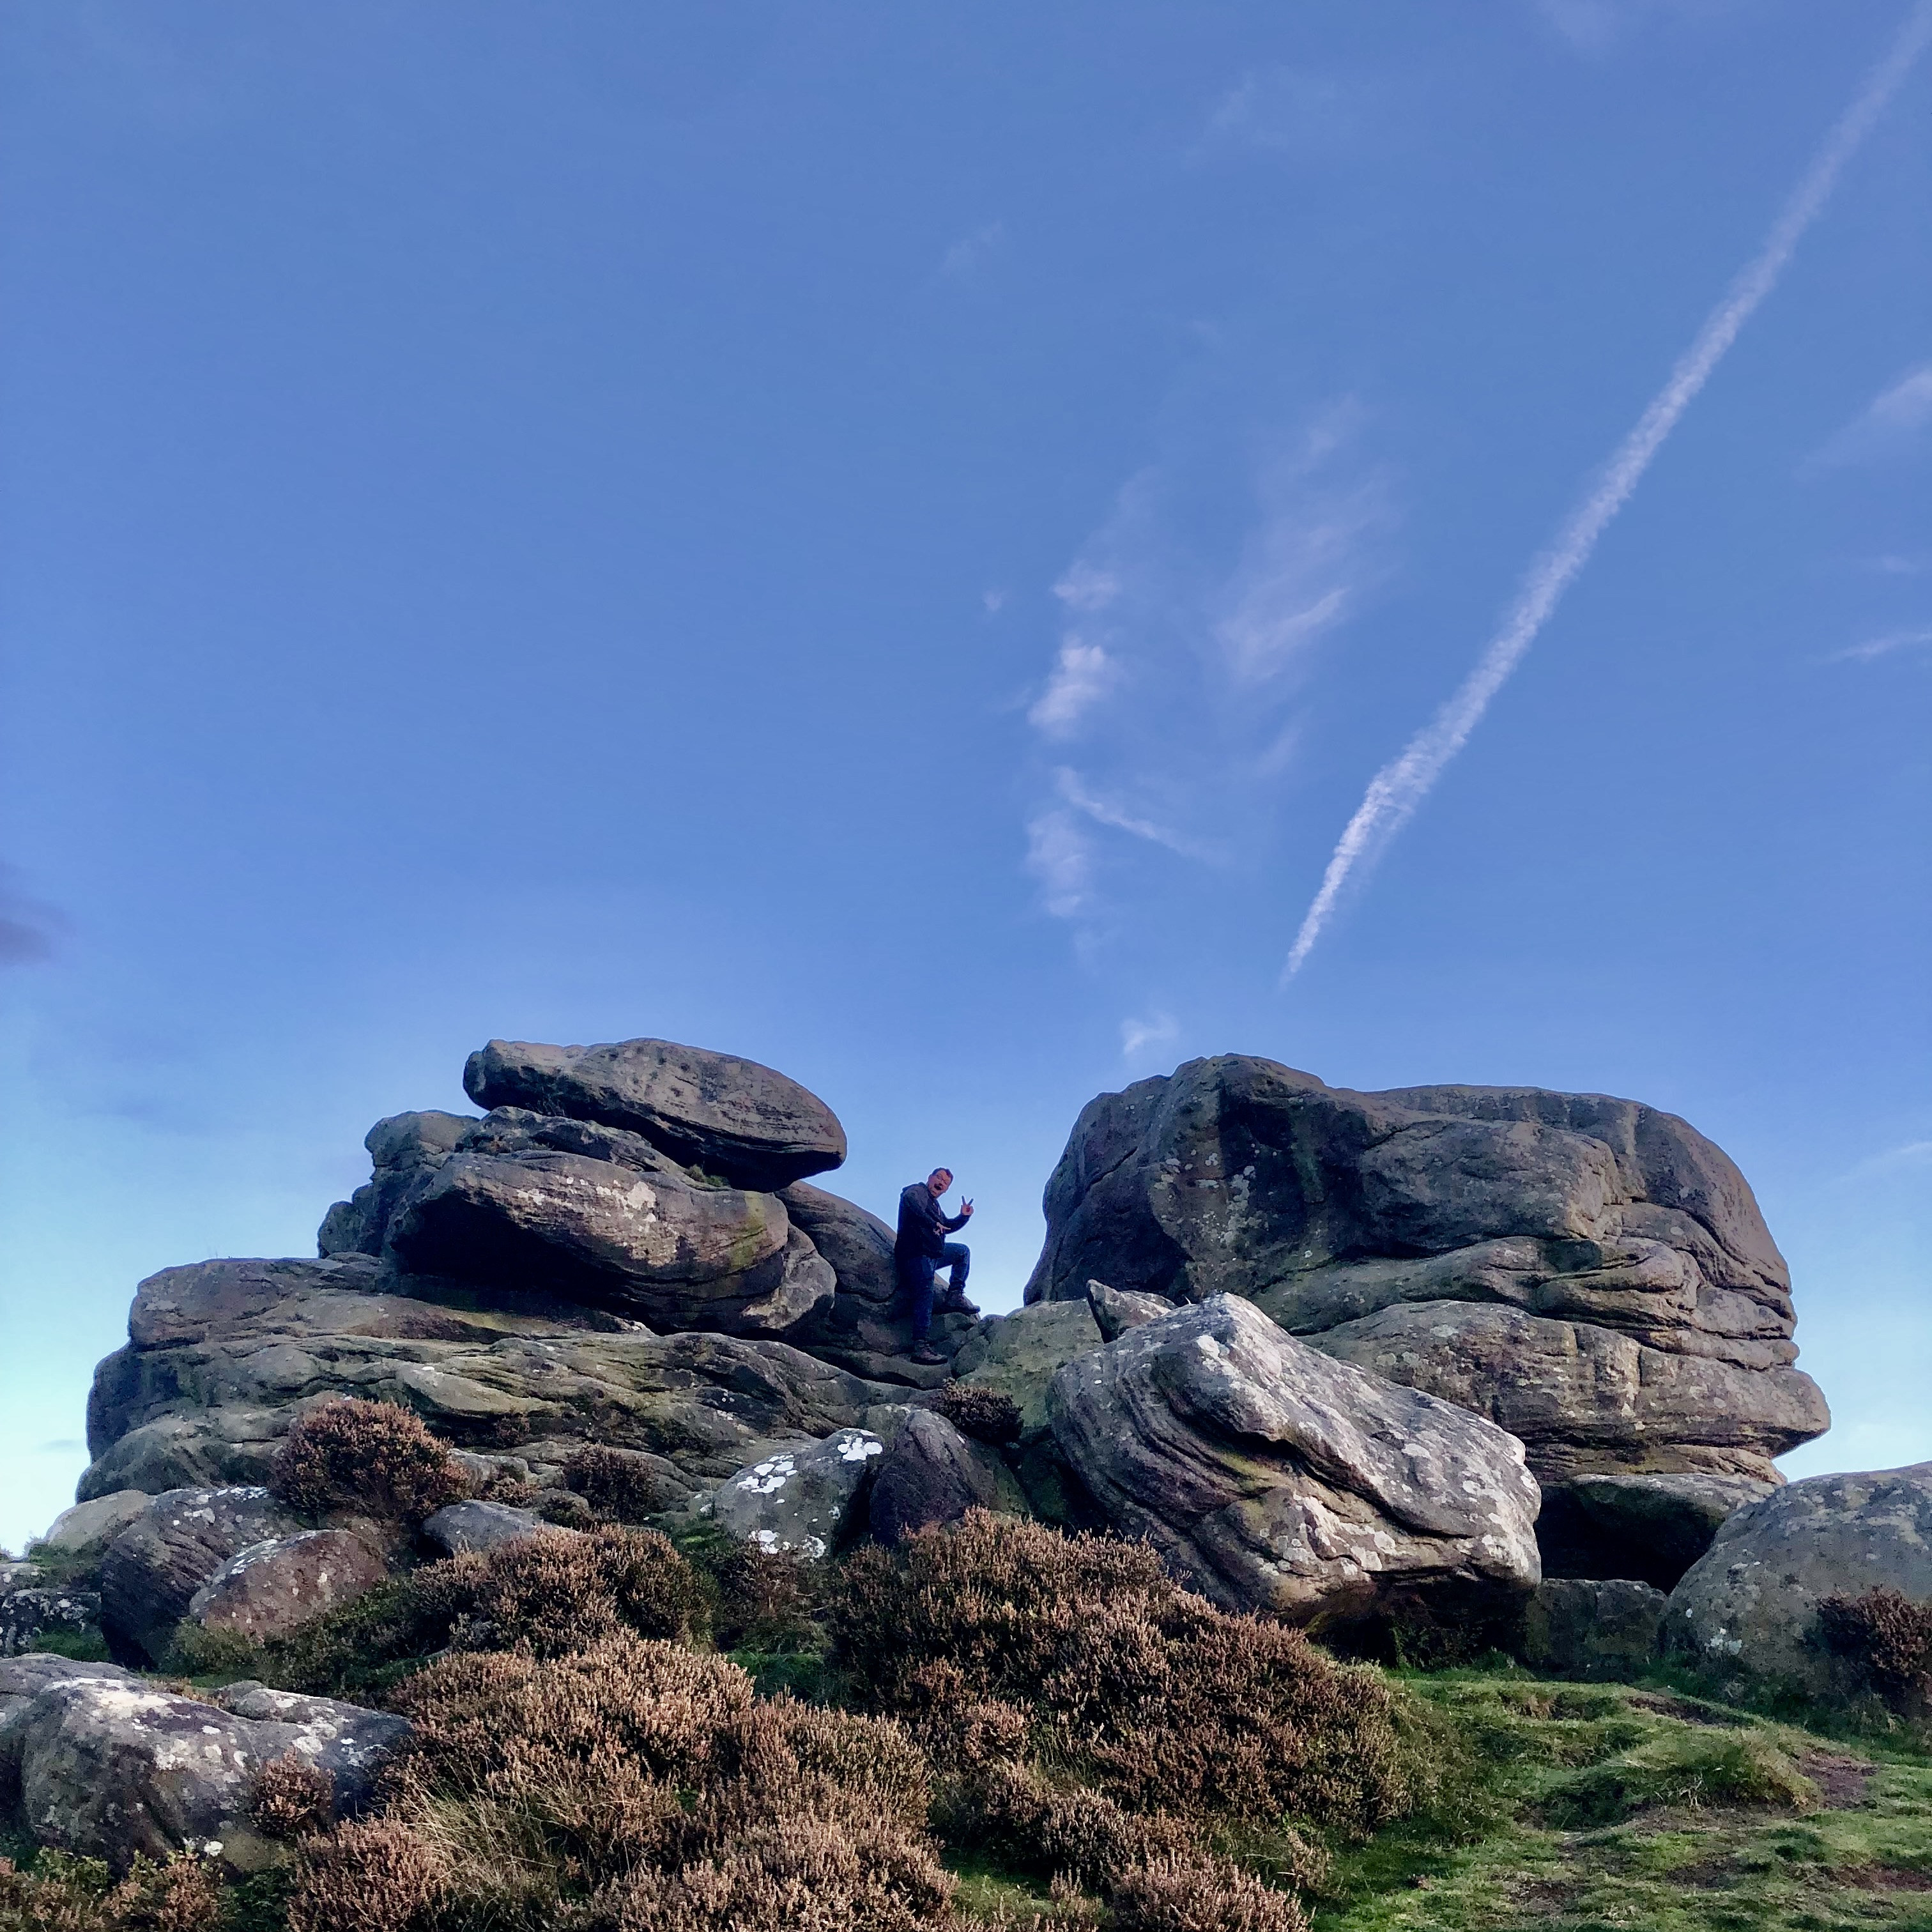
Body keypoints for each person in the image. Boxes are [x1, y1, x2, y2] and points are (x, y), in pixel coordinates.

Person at [896, 1166, 976, 1365]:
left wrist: (963, 1217)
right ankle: (920, 1346)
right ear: (930, 1178)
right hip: (914, 1254)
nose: (941, 1183)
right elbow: (911, 1204)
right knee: (926, 1290)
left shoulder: (936, 1207)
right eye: (939, 1178)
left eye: (946, 1183)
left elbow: (946, 1226)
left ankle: (955, 1295)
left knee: (962, 1252)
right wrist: (932, 1223)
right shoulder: (917, 1191)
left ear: (946, 1189)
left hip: (932, 1255)